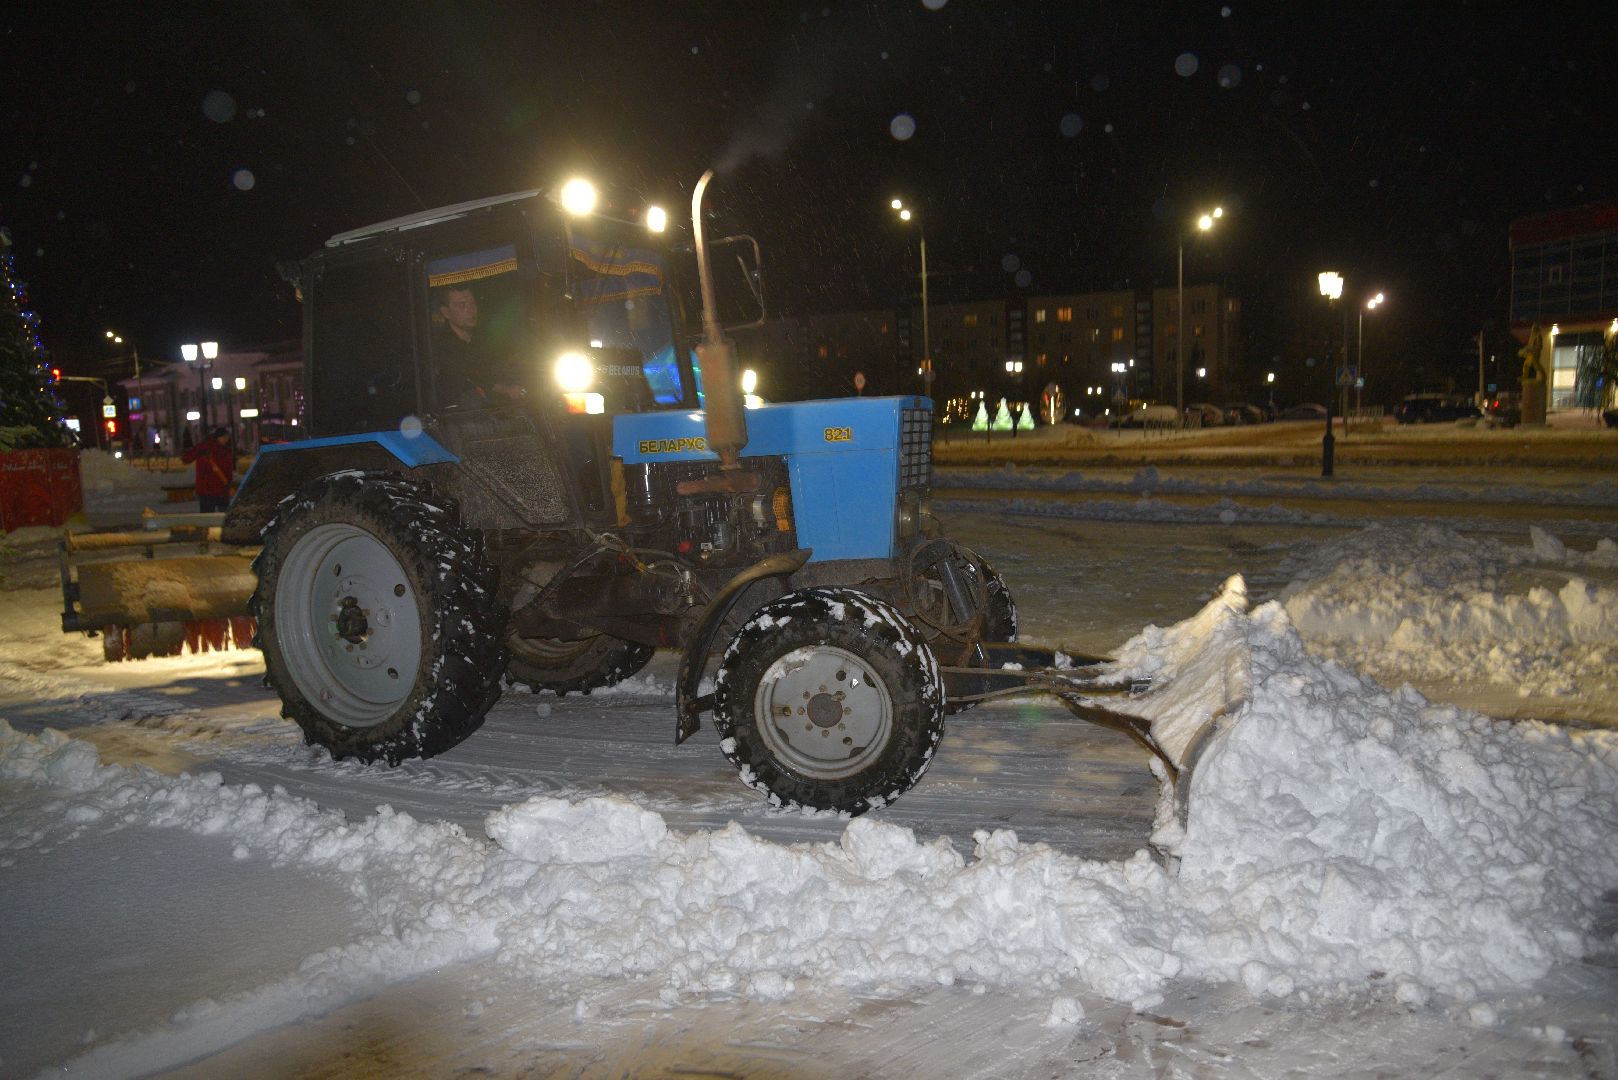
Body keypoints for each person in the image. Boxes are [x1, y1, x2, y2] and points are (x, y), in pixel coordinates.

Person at [431, 284, 525, 406]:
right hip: (464, 414)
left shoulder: (483, 336)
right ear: (446, 312)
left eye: (472, 303)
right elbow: (469, 375)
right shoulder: (440, 345)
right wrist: (506, 389)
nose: (470, 310)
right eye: (462, 305)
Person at [182, 427, 234, 512]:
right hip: (214, 490)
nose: (226, 440)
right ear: (218, 437)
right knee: (223, 517)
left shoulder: (204, 447)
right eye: (224, 437)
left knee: (208, 518)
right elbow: (186, 458)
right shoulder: (224, 450)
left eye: (227, 438)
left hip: (208, 490)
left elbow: (186, 458)